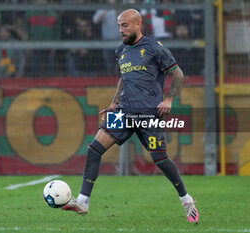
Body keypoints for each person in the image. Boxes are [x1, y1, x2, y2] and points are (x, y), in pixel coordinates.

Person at [61, 9, 199, 224]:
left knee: (160, 160)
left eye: (124, 25)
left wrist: (169, 100)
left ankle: (186, 199)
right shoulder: (121, 50)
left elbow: (178, 73)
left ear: (137, 24)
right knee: (93, 150)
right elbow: (123, 77)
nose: (121, 30)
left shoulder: (155, 48)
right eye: (119, 26)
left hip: (148, 115)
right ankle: (83, 201)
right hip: (124, 112)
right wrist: (114, 103)